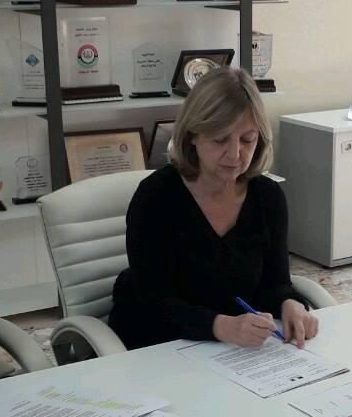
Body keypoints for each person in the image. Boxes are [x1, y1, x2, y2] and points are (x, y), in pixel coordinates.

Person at [109, 68, 319, 350]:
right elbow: (153, 302)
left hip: (229, 350)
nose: (235, 154)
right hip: (156, 344)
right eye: (220, 139)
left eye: (247, 139)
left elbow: (275, 282)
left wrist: (289, 303)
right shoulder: (156, 197)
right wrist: (221, 326)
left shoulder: (268, 197)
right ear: (192, 135)